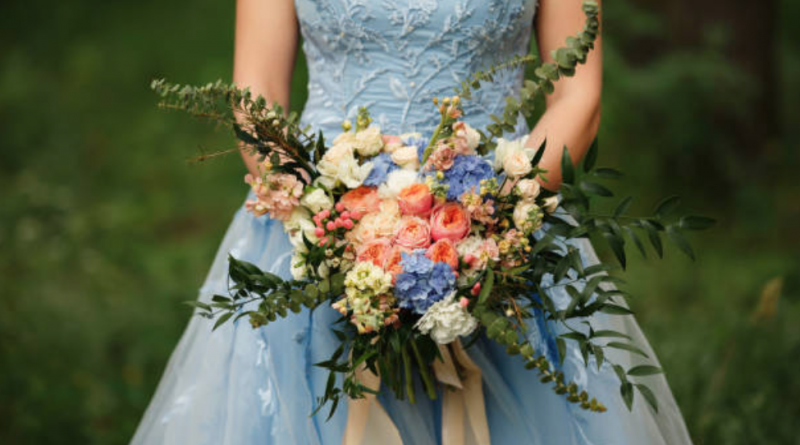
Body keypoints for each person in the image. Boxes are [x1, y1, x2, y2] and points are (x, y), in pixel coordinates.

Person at [131, 0, 693, 443]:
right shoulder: (322, 227)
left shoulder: (495, 227)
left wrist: (490, 221)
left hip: (501, 243)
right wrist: (327, 223)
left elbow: (579, 94)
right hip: (315, 235)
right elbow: (256, 94)